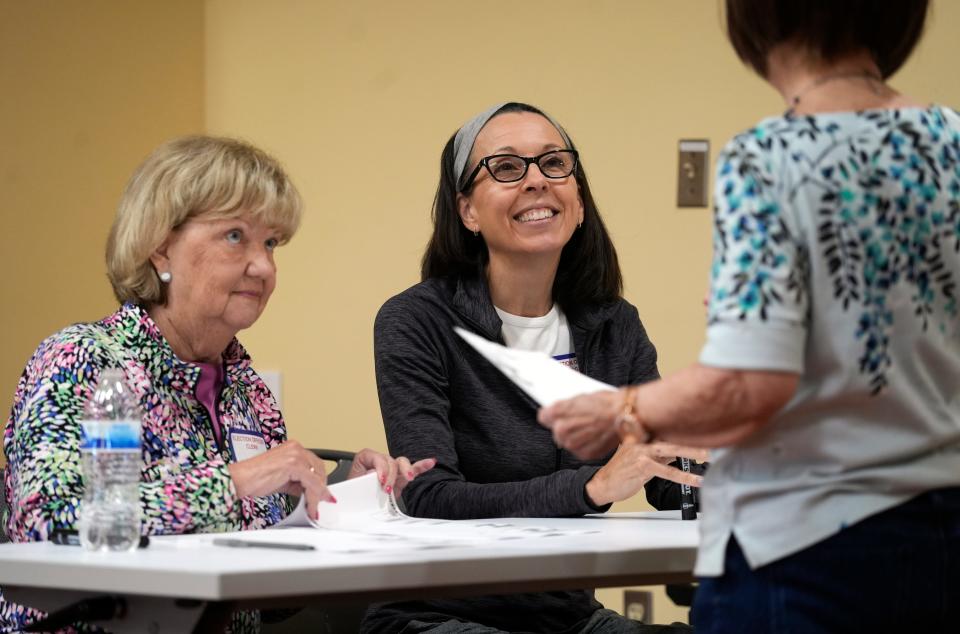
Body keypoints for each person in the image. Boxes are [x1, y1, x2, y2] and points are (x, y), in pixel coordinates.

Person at [540, 1, 960, 631]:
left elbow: (748, 384)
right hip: (941, 539)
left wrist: (620, 411)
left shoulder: (768, 158)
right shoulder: (952, 140)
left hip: (806, 550)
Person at [1, 135, 435, 633]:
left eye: (271, 243)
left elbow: (259, 602)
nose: (265, 266)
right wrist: (237, 482)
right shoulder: (83, 360)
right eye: (235, 236)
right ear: (160, 248)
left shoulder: (245, 390)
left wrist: (347, 502)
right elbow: (50, 521)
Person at [365, 102, 705, 634]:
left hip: (568, 616)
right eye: (505, 168)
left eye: (554, 163)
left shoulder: (614, 324)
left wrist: (724, 463)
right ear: (467, 211)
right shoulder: (416, 320)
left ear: (579, 198)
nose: (536, 182)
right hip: (437, 615)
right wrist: (590, 489)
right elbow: (429, 496)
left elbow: (667, 481)